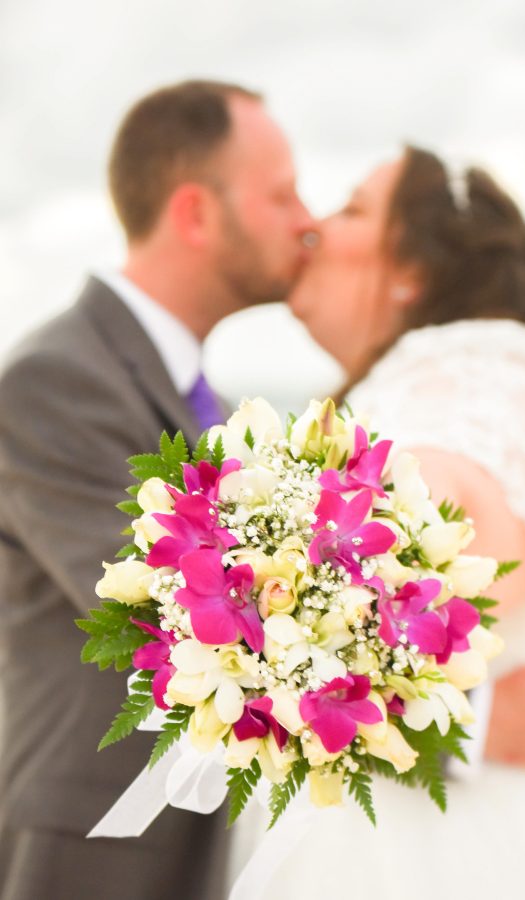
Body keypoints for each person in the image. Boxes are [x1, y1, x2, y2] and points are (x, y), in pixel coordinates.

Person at [0, 79, 314, 900]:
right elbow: (180, 612)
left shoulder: (182, 392)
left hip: (181, 838)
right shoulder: (55, 379)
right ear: (196, 214)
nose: (306, 219)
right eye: (281, 195)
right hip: (93, 844)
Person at [257, 146, 525, 897]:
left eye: (350, 208)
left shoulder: (469, 373)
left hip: (451, 850)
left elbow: (451, 502)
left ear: (413, 272)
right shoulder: (475, 374)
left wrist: (276, 577)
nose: (313, 225)